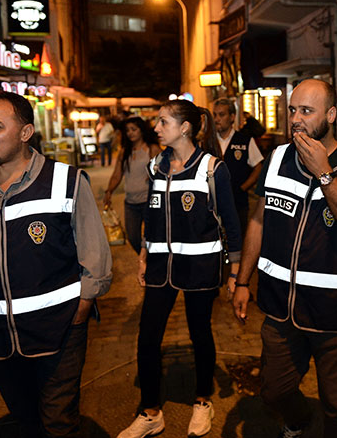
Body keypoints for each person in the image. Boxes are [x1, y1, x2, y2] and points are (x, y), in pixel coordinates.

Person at [0, 92, 112, 437]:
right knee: (25, 419)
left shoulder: (65, 181)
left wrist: (83, 306)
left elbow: (95, 254)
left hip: (59, 330)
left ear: (25, 133)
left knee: (58, 423)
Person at [233, 79, 337, 438]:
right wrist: (242, 280)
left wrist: (324, 172)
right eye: (292, 110)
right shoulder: (275, 159)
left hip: (332, 315)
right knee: (274, 391)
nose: (296, 119)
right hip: (278, 309)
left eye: (306, 111)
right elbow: (258, 220)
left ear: (330, 115)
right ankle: (299, 420)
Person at [118, 99, 242, 438]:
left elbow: (231, 222)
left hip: (200, 266)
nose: (156, 128)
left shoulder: (212, 168)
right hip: (160, 266)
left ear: (184, 127)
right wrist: (144, 254)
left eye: (163, 122)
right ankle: (150, 411)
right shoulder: (157, 165)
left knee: (199, 331)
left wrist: (236, 274)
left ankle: (202, 401)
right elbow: (151, 214)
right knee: (147, 337)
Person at [104, 116, 161, 254]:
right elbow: (117, 174)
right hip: (130, 203)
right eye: (128, 130)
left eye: (133, 129)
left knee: (152, 236)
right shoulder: (124, 152)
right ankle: (146, 260)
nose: (130, 133)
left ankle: (150, 264)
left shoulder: (152, 149)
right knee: (133, 237)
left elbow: (164, 169)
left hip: (149, 201)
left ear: (141, 130)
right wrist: (109, 191)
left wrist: (155, 174)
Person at [212, 98, 264, 233]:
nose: (217, 119)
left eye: (221, 115)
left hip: (238, 203)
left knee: (238, 239)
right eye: (215, 115)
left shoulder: (245, 141)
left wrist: (243, 188)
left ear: (232, 117)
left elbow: (258, 167)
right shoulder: (208, 142)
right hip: (212, 203)